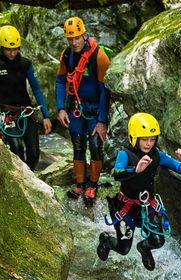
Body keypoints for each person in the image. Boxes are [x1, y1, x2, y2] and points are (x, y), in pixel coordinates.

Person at [97, 113, 181, 271]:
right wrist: (136, 169)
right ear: (134, 137)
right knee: (123, 249)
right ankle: (106, 240)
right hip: (126, 206)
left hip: (148, 205)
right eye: (144, 139)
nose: (148, 143)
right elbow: (116, 173)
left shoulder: (157, 155)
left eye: (152, 139)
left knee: (158, 240)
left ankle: (144, 248)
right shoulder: (125, 154)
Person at [0, 25, 52, 170]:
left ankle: (29, 175)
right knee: (17, 149)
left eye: (15, 49)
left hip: (26, 112)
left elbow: (37, 90)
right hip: (7, 113)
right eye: (8, 49)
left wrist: (46, 115)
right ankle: (23, 179)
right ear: (1, 47)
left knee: (34, 152)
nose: (12, 53)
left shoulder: (25, 64)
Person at [55, 16, 110, 203]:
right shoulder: (67, 55)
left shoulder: (99, 57)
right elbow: (61, 81)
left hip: (95, 109)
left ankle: (93, 185)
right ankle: (80, 184)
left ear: (84, 35)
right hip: (76, 108)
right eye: (70, 39)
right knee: (78, 145)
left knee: (95, 146)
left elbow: (105, 90)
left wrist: (102, 121)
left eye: (77, 38)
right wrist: (61, 108)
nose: (73, 42)